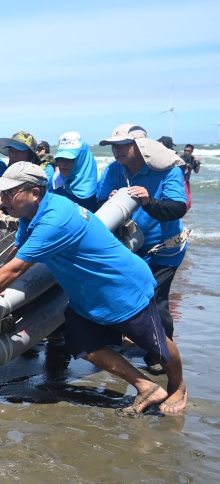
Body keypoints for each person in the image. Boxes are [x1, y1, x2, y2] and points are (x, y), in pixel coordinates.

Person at [0, 162, 186, 414]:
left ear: (35, 193)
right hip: (88, 293)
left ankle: (178, 386)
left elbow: (17, 269)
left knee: (155, 343)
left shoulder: (55, 219)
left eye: (9, 193)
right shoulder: (29, 214)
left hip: (121, 286)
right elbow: (17, 252)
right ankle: (146, 387)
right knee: (82, 344)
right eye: (1, 193)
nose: (2, 199)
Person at [96, 123, 187, 373]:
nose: (117, 151)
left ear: (141, 147)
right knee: (120, 296)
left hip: (165, 248)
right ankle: (118, 342)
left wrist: (148, 201)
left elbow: (178, 208)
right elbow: (100, 201)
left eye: (123, 145)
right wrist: (111, 200)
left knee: (155, 300)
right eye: (114, 146)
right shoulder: (114, 169)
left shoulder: (168, 169)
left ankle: (160, 355)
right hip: (129, 248)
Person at [48, 131, 98, 212]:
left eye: (69, 159)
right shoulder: (55, 182)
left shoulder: (98, 182)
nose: (63, 164)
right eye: (60, 159)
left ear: (81, 159)